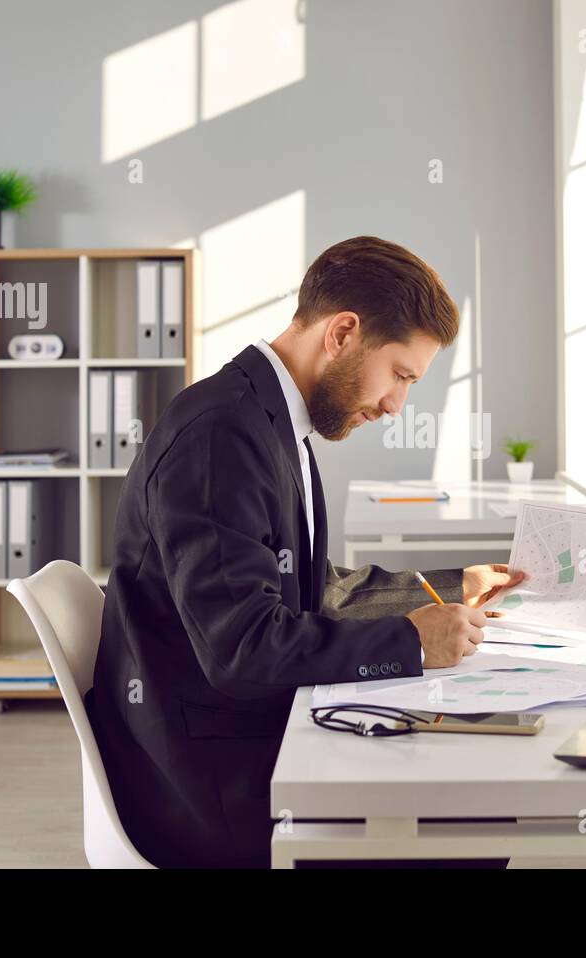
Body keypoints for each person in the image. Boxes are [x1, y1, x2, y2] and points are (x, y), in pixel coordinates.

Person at [85, 236, 522, 868]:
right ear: (343, 332)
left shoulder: (269, 422)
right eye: (400, 375)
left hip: (242, 742)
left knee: (472, 799)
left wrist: (450, 588)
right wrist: (409, 642)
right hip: (210, 788)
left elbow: (309, 589)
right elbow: (242, 649)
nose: (396, 405)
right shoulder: (222, 438)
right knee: (470, 827)